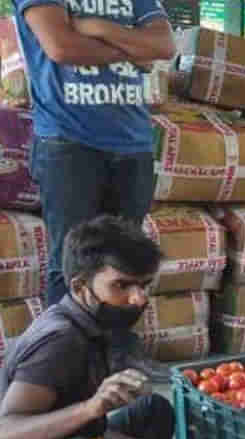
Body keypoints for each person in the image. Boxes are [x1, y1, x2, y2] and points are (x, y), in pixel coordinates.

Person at [15, 0, 175, 378]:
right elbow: (61, 48)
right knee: (68, 259)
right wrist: (133, 48)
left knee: (127, 259)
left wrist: (97, 28)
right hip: (68, 142)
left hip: (133, 142)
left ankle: (119, 354)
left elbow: (165, 47)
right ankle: (61, 359)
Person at [0, 216, 173, 439]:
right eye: (122, 285)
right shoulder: (61, 341)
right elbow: (5, 435)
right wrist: (90, 408)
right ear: (80, 286)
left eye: (144, 285)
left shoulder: (88, 319)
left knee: (154, 408)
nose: (139, 298)